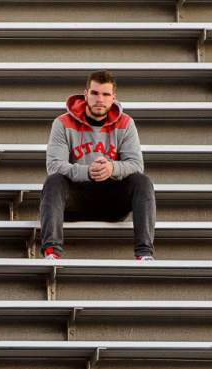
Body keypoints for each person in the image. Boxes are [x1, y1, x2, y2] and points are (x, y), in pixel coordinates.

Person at [39, 70, 156, 261]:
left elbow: (136, 164)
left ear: (113, 98)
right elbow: (54, 165)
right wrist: (87, 171)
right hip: (75, 201)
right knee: (54, 181)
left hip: (112, 201)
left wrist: (112, 168)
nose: (99, 99)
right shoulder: (62, 123)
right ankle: (52, 252)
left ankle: (144, 254)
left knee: (142, 182)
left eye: (105, 94)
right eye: (94, 93)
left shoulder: (126, 123)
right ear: (85, 94)